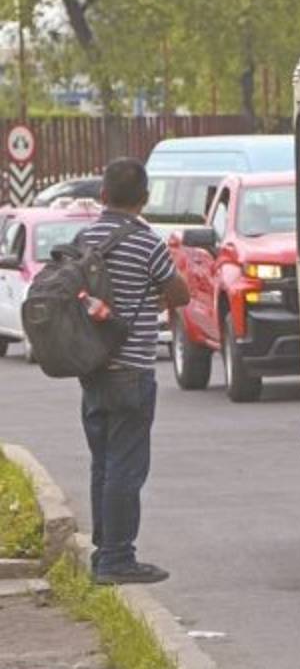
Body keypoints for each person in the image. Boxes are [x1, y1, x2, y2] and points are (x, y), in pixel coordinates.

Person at [75, 159, 190, 585]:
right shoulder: (147, 242)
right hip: (132, 369)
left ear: (102, 195)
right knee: (126, 465)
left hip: (92, 369)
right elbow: (181, 293)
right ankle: (117, 560)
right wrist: (157, 290)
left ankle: (103, 552)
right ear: (145, 199)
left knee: (102, 463)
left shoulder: (84, 238)